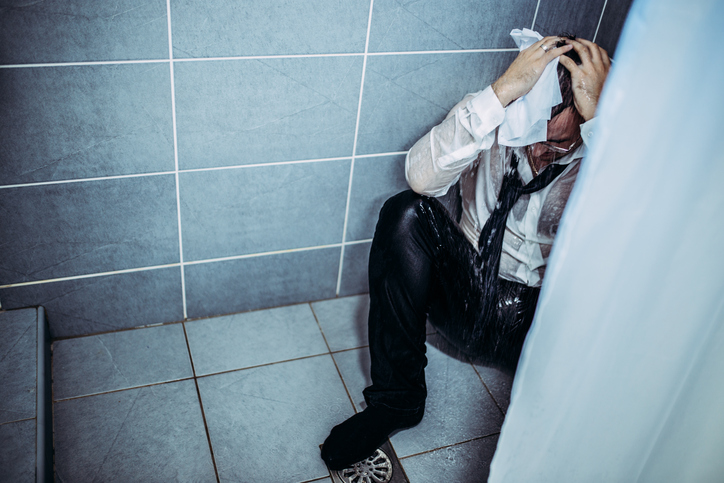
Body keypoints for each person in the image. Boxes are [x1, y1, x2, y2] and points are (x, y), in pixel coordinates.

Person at [321, 34, 611, 471]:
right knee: (404, 212)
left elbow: (617, 243)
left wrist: (601, 129)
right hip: (464, 296)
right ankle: (397, 401)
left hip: (538, 327)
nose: (537, 153)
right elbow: (420, 176)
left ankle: (558, 425)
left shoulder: (605, 153)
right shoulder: (500, 115)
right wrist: (503, 94)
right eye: (534, 136)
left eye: (557, 146)